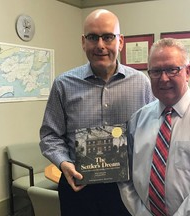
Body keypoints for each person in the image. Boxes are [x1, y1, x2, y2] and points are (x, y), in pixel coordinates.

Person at [39, 9, 155, 216]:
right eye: (93, 37)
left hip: (128, 188)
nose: (100, 45)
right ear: (84, 42)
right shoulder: (63, 84)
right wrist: (63, 162)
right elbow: (49, 136)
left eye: (108, 37)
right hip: (79, 187)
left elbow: (154, 131)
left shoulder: (142, 83)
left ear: (120, 42)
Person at [119, 38, 190, 216]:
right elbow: (125, 177)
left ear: (187, 72)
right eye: (156, 71)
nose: (163, 78)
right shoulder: (138, 119)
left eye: (172, 69)